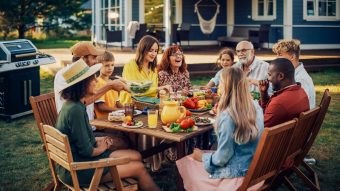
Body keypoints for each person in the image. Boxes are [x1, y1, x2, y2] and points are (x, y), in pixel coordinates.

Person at [56, 59, 160, 191]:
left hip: (75, 160)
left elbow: (80, 139)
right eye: (92, 79)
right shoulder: (75, 110)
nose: (96, 81)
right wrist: (103, 147)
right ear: (82, 85)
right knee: (139, 168)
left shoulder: (73, 104)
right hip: (79, 169)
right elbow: (88, 151)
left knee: (136, 156)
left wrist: (99, 140)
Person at [176, 67, 264, 191]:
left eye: (221, 83)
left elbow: (223, 157)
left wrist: (202, 157)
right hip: (255, 173)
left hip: (236, 179)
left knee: (187, 161)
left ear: (226, 86)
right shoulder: (256, 106)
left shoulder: (228, 116)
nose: (218, 86)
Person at [54, 41, 129, 125]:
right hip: (77, 127)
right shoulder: (65, 76)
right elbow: (81, 103)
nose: (96, 61)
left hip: (91, 124)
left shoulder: (84, 74)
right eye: (93, 58)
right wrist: (109, 86)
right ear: (83, 59)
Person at [259, 58, 310, 127]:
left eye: (270, 75)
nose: (268, 79)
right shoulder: (301, 91)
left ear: (281, 76)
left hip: (271, 137)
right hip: (292, 136)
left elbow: (259, 130)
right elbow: (268, 110)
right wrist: (263, 93)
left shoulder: (279, 103)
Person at [119, 35, 170, 104]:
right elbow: (134, 90)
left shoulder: (153, 69)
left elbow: (153, 94)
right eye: (151, 50)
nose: (154, 54)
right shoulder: (130, 65)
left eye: (156, 51)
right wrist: (159, 89)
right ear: (143, 49)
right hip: (131, 106)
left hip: (149, 106)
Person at [272, 39, 316, 109]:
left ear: (292, 57)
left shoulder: (300, 80)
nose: (276, 58)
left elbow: (296, 106)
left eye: (280, 54)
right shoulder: (293, 74)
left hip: (297, 118)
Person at [94, 51, 123, 119]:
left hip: (114, 119)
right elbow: (101, 107)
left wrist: (128, 108)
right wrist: (119, 110)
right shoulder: (98, 82)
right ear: (99, 66)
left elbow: (117, 103)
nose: (110, 68)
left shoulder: (113, 83)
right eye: (107, 65)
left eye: (112, 65)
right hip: (103, 122)